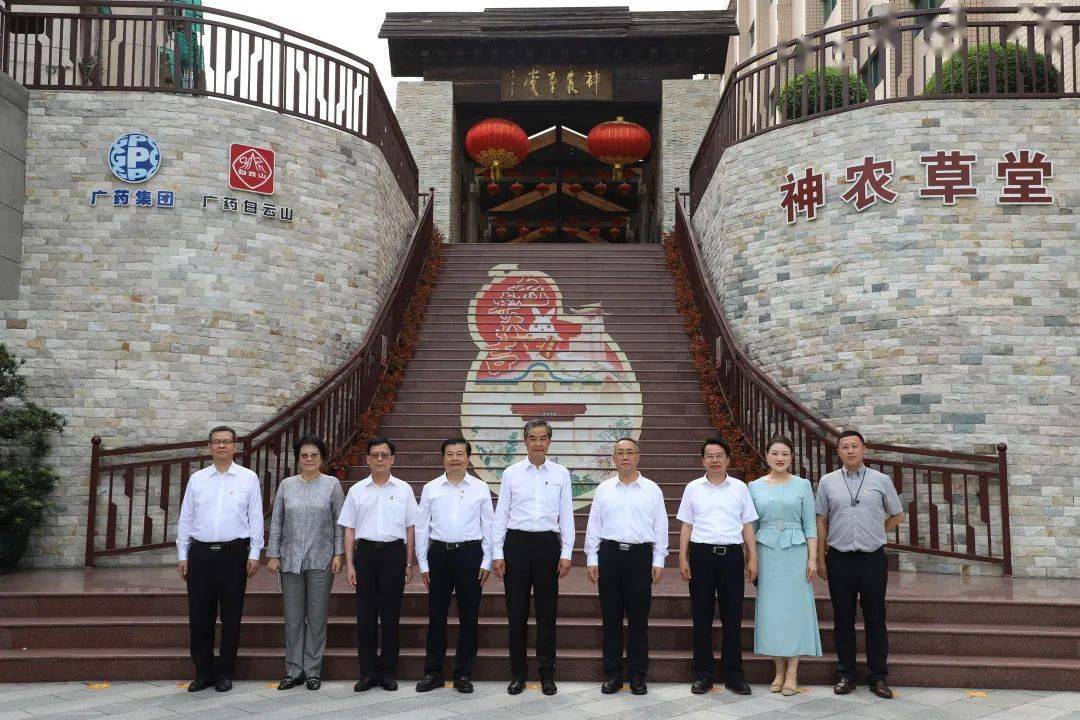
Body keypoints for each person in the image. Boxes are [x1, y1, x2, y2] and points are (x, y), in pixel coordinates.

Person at [816, 429, 905, 699]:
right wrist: (820, 557)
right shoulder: (828, 482)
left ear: (864, 449)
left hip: (871, 558)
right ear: (838, 452)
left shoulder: (881, 480)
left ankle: (878, 676)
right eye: (844, 447)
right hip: (839, 558)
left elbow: (897, 515)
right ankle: (846, 673)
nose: (850, 451)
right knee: (842, 618)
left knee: (875, 618)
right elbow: (821, 520)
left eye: (854, 446)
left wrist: (877, 531)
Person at [176, 425, 263, 693]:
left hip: (233, 554)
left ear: (235, 446)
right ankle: (203, 672)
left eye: (226, 441)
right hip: (200, 554)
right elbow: (186, 518)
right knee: (199, 616)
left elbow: (255, 517)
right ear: (209, 447)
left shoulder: (248, 478)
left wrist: (255, 552)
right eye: (216, 441)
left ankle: (225, 672)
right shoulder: (198, 479)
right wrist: (182, 553)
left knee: (231, 616)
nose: (222, 445)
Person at [491, 419, 575, 696]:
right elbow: (501, 514)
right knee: (516, 613)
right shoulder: (511, 473)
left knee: (547, 614)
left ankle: (547, 674)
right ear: (524, 440)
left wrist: (566, 552)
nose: (538, 443)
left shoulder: (561, 473)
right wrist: (498, 552)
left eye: (543, 438)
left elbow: (567, 515)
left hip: (547, 545)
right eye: (532, 438)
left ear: (549, 441)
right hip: (516, 544)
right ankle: (518, 674)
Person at [584, 438, 667, 696]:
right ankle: (613, 674)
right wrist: (592, 558)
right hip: (610, 556)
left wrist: (659, 560)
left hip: (640, 557)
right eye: (620, 453)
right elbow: (594, 525)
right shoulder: (604, 489)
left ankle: (637, 675)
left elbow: (660, 526)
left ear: (638, 456)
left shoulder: (652, 489)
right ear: (614, 458)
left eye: (630, 452)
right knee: (611, 618)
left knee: (638, 619)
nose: (625, 457)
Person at [676, 437, 758, 696]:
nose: (715, 460)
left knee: (732, 618)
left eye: (719, 455)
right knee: (701, 617)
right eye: (710, 456)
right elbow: (687, 525)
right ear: (703, 460)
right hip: (701, 556)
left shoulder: (740, 488)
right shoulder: (693, 488)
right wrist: (682, 557)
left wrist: (753, 557)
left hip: (731, 557)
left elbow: (747, 524)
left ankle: (734, 676)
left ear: (728, 459)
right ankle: (703, 675)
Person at [337, 437, 417, 692]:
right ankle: (368, 673)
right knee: (366, 617)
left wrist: (409, 563)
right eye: (375, 455)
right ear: (367, 459)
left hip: (394, 554)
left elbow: (411, 528)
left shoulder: (404, 489)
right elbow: (349, 529)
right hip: (366, 554)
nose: (379, 459)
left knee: (391, 616)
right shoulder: (357, 490)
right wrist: (350, 565)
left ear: (392, 459)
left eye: (384, 455)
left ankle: (388, 672)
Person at [415, 438, 494, 694]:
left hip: (470, 555)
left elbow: (489, 526)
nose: (455, 458)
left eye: (460, 454)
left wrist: (487, 560)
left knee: (468, 617)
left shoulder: (480, 488)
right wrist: (423, 564)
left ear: (468, 458)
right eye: (450, 454)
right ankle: (433, 672)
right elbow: (421, 527)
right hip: (439, 555)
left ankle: (463, 673)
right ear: (443, 458)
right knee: (436, 616)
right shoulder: (431, 488)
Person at [266, 435, 345, 692]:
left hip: (322, 559)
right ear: (298, 459)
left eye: (314, 455)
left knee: (317, 616)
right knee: (293, 618)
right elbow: (277, 521)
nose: (309, 459)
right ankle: (293, 671)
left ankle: (312, 671)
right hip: (290, 559)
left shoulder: (332, 485)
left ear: (322, 458)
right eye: (304, 455)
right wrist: (273, 554)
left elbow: (339, 522)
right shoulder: (287, 485)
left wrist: (339, 553)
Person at [747, 435, 821, 696]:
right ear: (767, 455)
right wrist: (752, 557)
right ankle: (778, 670)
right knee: (772, 612)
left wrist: (812, 558)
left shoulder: (802, 485)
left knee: (795, 611)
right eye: (775, 453)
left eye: (785, 454)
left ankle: (792, 672)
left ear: (792, 457)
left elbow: (810, 524)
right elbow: (751, 525)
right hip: (767, 553)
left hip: (796, 553)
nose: (780, 458)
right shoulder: (754, 487)